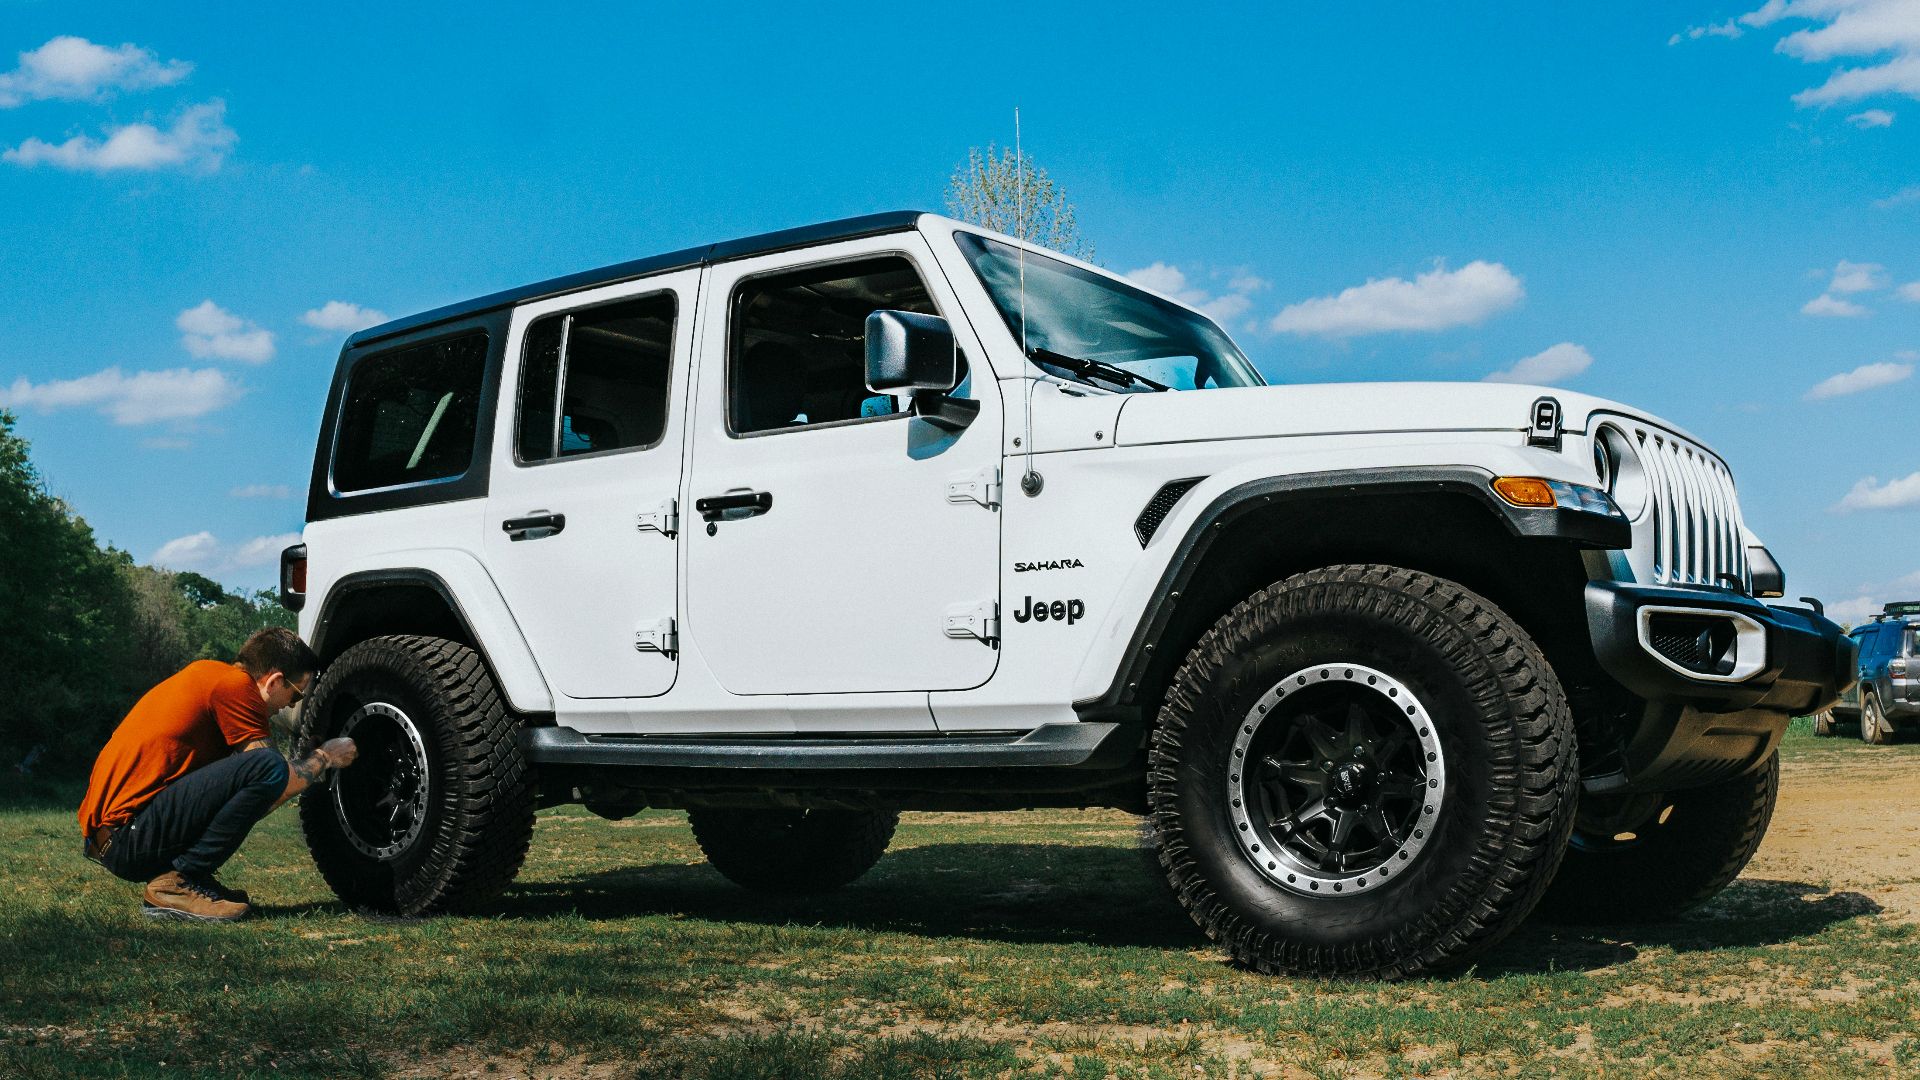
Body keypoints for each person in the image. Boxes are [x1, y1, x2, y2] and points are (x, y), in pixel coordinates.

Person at [78, 627, 358, 921]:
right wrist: (325, 756)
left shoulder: (210, 676)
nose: (290, 705)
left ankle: (190, 877)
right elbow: (276, 779)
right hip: (126, 840)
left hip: (111, 839)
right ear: (275, 681)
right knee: (268, 765)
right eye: (296, 693)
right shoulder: (235, 685)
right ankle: (177, 883)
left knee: (265, 767)